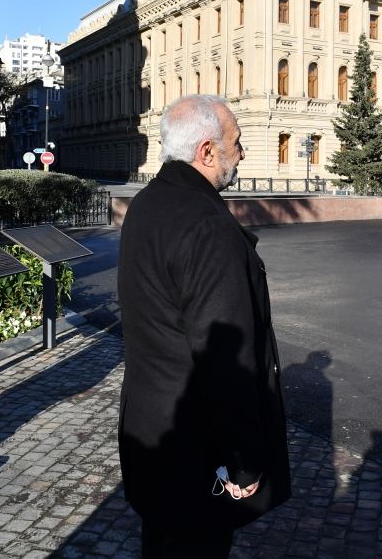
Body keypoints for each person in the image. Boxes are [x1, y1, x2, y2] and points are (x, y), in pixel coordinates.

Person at [117, 95, 291, 557]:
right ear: (207, 151)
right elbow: (222, 356)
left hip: (153, 429)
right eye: (236, 142)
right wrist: (245, 464)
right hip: (197, 447)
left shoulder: (146, 204)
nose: (243, 153)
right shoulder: (208, 225)